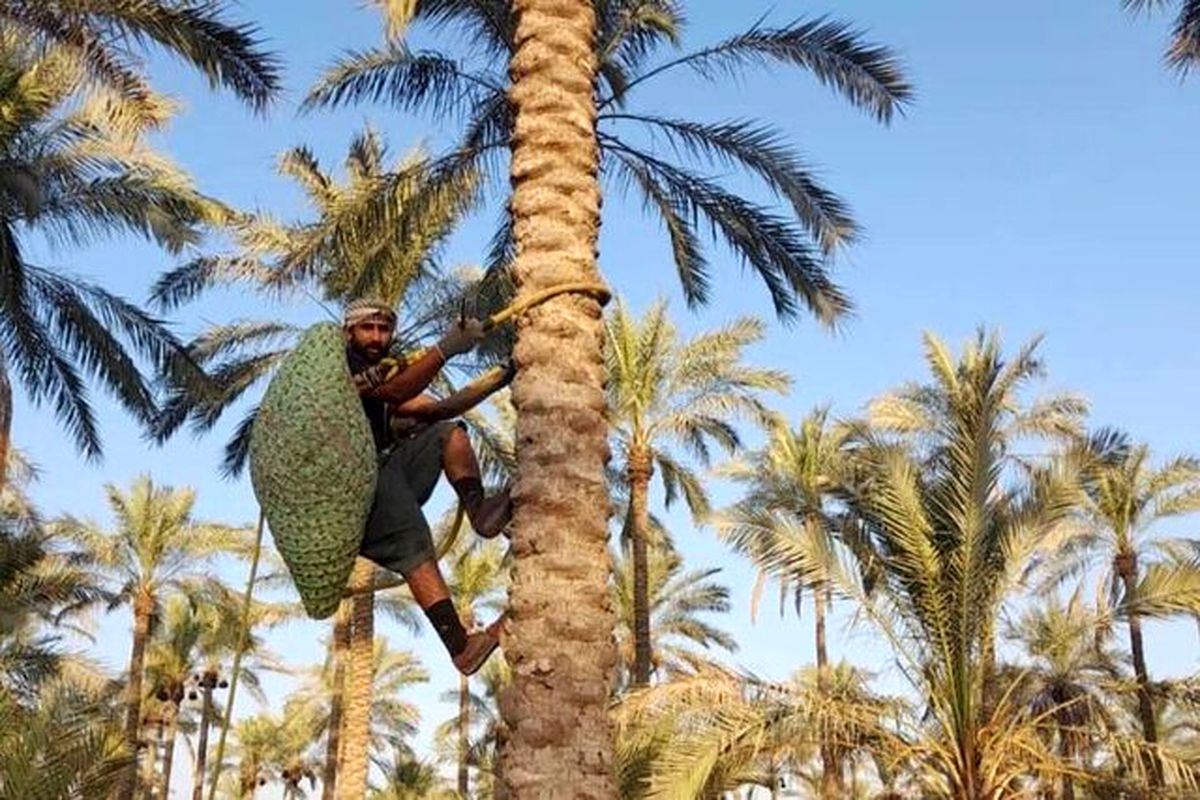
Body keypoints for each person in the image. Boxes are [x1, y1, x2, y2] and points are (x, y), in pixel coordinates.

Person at [342, 297, 513, 675]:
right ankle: (461, 648)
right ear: (348, 332)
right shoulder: (342, 370)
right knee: (413, 543)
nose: (375, 336)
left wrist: (500, 377)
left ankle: (481, 513)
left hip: (387, 470)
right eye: (367, 328)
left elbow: (439, 408)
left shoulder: (384, 377)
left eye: (383, 329)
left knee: (445, 433)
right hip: (354, 489)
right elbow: (394, 392)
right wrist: (445, 348)